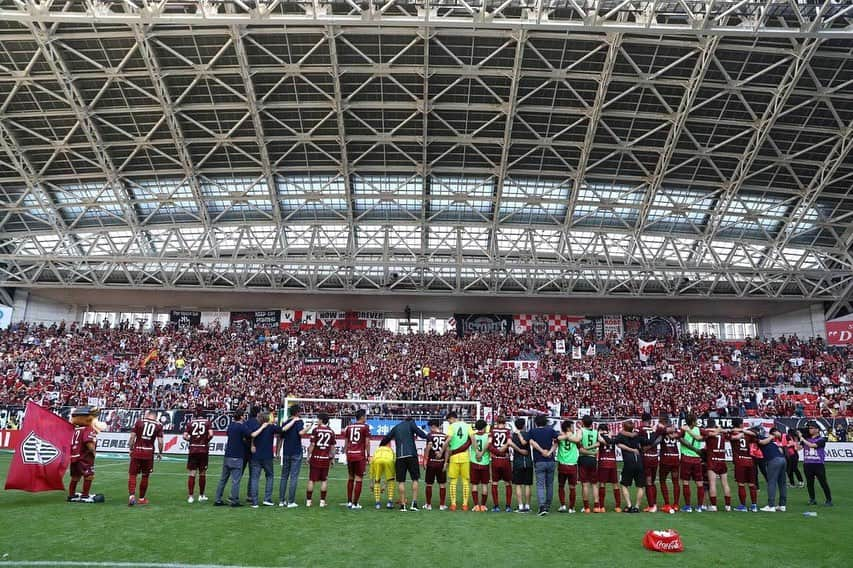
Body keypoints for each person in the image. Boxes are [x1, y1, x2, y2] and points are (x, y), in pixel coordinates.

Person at [381, 416, 427, 511]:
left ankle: (403, 505)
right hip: (411, 455)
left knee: (401, 481)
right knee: (415, 479)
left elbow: (386, 438)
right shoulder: (411, 424)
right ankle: (414, 504)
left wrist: (381, 446)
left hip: (400, 457)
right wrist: (429, 437)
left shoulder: (396, 427)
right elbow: (421, 434)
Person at [214, 409, 254, 507]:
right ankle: (234, 500)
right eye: (243, 416)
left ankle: (217, 499)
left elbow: (229, 434)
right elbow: (251, 435)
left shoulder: (231, 426)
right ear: (241, 417)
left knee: (223, 479)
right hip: (237, 456)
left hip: (228, 455)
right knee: (235, 480)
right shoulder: (242, 427)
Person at [127, 410, 164, 507]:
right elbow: (160, 442)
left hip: (137, 451)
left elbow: (132, 437)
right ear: (156, 416)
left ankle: (131, 496)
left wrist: (131, 448)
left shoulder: (139, 422)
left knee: (133, 474)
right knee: (145, 475)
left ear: (148, 414)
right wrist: (160, 453)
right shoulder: (158, 425)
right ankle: (141, 498)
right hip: (148, 453)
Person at [277, 405, 309, 508]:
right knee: (294, 477)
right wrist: (310, 426)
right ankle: (291, 501)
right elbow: (301, 433)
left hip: (286, 451)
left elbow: (280, 437)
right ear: (297, 412)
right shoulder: (298, 421)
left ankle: (281, 500)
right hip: (296, 451)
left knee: (284, 476)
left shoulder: (286, 422)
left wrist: (278, 451)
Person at [248, 409, 281, 508]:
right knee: (270, 476)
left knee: (254, 478)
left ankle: (254, 501)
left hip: (256, 455)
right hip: (267, 456)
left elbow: (251, 436)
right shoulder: (271, 427)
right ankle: (267, 499)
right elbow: (282, 430)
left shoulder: (255, 426)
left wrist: (252, 445)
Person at [527, 414, 559, 517]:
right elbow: (557, 441)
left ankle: (542, 506)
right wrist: (549, 452)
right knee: (549, 484)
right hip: (550, 460)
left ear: (536, 423)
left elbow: (531, 442)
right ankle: (547, 505)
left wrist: (541, 451)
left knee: (540, 485)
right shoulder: (550, 430)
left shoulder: (533, 431)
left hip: (539, 460)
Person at [68, 406, 99, 503]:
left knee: (75, 477)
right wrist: (94, 452)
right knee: (89, 475)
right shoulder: (88, 429)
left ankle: (72, 495)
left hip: (74, 457)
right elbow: (88, 442)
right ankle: (85, 496)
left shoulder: (75, 429)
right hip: (84, 458)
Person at [445, 411, 473, 511]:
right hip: (465, 456)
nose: (449, 423)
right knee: (466, 481)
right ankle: (465, 505)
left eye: (449, 421)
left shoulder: (451, 427)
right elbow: (472, 438)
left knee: (453, 481)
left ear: (452, 418)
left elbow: (448, 439)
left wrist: (442, 450)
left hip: (454, 457)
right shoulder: (467, 425)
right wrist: (477, 451)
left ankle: (453, 504)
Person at [183, 408, 213, 503]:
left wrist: (191, 440)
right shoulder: (207, 422)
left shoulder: (190, 423)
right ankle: (201, 495)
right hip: (203, 450)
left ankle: (191, 496)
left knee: (192, 473)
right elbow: (211, 434)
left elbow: (184, 436)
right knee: (202, 473)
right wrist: (206, 441)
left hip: (193, 449)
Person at [701, 419, 731, 512]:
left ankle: (714, 506)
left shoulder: (708, 432)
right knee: (725, 484)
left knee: (712, 484)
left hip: (712, 461)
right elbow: (728, 433)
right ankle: (728, 506)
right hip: (722, 460)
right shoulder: (722, 433)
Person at [343, 409, 371, 509]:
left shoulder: (349, 427)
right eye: (366, 416)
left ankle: (349, 502)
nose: (366, 418)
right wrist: (368, 455)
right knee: (359, 478)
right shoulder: (365, 427)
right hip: (359, 456)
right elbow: (367, 442)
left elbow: (346, 443)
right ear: (362, 417)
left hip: (350, 455)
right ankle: (355, 504)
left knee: (351, 477)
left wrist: (346, 453)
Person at [306, 412, 336, 508]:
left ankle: (308, 502)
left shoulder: (316, 430)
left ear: (321, 420)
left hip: (316, 458)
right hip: (325, 459)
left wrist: (308, 456)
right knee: (324, 480)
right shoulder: (331, 431)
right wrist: (332, 458)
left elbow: (312, 445)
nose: (317, 420)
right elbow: (332, 447)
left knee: (311, 480)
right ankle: (322, 502)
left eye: (318, 419)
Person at [729, 417, 759, 512]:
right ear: (740, 424)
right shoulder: (747, 434)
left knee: (741, 484)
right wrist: (744, 431)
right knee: (751, 484)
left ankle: (743, 506)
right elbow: (756, 434)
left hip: (740, 461)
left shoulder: (733, 433)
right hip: (749, 460)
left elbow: (731, 436)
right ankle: (754, 506)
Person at [615, 420, 644, 513]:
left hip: (629, 462)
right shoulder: (637, 435)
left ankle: (629, 505)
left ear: (624, 428)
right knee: (640, 486)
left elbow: (616, 443)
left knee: (624, 484)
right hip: (639, 461)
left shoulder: (621, 435)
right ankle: (637, 507)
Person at [756, 427, 787, 512]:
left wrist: (770, 437)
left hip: (773, 460)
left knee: (772, 482)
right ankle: (782, 505)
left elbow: (762, 442)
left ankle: (771, 505)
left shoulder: (762, 438)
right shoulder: (773, 442)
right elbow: (780, 450)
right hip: (782, 459)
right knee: (782, 483)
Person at [678, 413, 704, 513]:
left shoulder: (683, 429)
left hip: (686, 458)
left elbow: (678, 438)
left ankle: (688, 506)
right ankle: (699, 507)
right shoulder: (699, 430)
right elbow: (704, 436)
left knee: (685, 482)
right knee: (699, 483)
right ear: (693, 421)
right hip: (696, 459)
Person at [801, 421, 832, 506]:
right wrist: (797, 440)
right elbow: (798, 448)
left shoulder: (821, 440)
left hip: (818, 464)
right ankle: (812, 499)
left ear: (817, 430)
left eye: (811, 428)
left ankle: (829, 499)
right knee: (809, 483)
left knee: (823, 482)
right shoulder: (806, 438)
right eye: (809, 428)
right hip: (807, 463)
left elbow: (812, 445)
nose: (809, 430)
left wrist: (802, 439)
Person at [639, 413, 665, 512]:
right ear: (650, 420)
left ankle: (652, 506)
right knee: (652, 482)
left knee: (648, 482)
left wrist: (643, 448)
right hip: (655, 458)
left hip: (646, 458)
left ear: (642, 420)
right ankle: (654, 504)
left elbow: (636, 439)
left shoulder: (640, 429)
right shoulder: (656, 429)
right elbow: (661, 437)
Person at [488, 416, 513, 512]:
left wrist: (496, 451)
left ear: (497, 422)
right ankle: (508, 506)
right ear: (505, 422)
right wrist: (502, 450)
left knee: (494, 482)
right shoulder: (507, 431)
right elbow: (509, 443)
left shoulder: (492, 431)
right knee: (508, 483)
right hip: (505, 459)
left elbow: (489, 444)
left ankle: (496, 506)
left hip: (495, 459)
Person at [556, 419, 581, 513]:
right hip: (572, 465)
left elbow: (556, 441)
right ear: (568, 428)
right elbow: (579, 446)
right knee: (572, 487)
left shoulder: (560, 436)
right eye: (572, 426)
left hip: (562, 464)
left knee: (561, 486)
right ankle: (571, 508)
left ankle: (563, 505)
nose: (573, 428)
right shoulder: (575, 437)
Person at [423, 419, 448, 511]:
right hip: (441, 463)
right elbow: (447, 450)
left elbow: (429, 447)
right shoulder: (445, 436)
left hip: (431, 463)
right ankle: (442, 505)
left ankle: (428, 505)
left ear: (433, 426)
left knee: (429, 484)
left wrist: (425, 460)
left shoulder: (430, 435)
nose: (429, 429)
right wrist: (445, 462)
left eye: (430, 427)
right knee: (442, 484)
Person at [509, 418, 533, 513]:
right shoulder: (528, 434)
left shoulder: (513, 435)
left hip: (517, 462)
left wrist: (518, 450)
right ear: (524, 425)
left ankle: (520, 506)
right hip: (528, 462)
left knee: (518, 485)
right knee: (527, 485)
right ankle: (527, 506)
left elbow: (510, 444)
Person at [578, 415, 601, 513]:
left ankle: (586, 507)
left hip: (583, 458)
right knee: (595, 484)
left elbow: (578, 440)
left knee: (585, 484)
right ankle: (596, 506)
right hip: (592, 459)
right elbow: (601, 442)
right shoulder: (596, 432)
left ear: (583, 422)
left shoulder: (581, 431)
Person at [659, 417, 681, 513]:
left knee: (662, 480)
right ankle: (676, 504)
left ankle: (667, 504)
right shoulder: (676, 431)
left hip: (665, 459)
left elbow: (657, 440)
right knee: (675, 481)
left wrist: (648, 448)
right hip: (675, 458)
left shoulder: (663, 431)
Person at [597, 423, 621, 512]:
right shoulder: (613, 436)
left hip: (603, 462)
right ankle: (618, 506)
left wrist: (599, 434)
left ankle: (602, 506)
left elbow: (602, 441)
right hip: (612, 462)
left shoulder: (600, 437)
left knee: (602, 484)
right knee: (615, 484)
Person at [469, 419, 491, 512]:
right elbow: (488, 445)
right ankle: (483, 505)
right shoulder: (488, 436)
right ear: (484, 427)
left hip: (474, 461)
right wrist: (482, 454)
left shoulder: (472, 436)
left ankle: (476, 505)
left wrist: (478, 454)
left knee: (474, 484)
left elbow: (473, 445)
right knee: (485, 485)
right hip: (485, 462)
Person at [371, 438, 396, 509]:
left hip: (377, 461)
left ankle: (377, 503)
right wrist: (385, 485)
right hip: (388, 461)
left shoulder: (377, 450)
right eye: (390, 443)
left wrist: (371, 481)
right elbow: (393, 463)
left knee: (377, 480)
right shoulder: (391, 450)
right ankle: (389, 502)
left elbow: (372, 463)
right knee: (391, 479)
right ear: (388, 443)